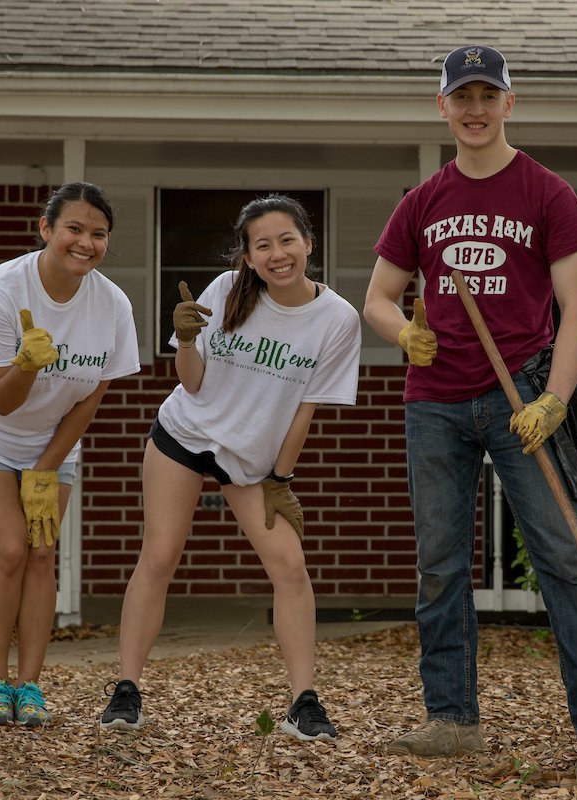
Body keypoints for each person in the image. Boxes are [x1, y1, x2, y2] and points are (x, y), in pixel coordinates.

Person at [363, 44, 577, 763]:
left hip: (521, 398)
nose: (475, 110)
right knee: (441, 565)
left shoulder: (548, 194)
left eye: (488, 96)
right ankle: (453, 721)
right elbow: (378, 299)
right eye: (462, 97)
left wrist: (556, 399)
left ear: (510, 103)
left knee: (567, 560)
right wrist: (406, 332)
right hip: (436, 404)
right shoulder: (422, 202)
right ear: (441, 106)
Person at [100, 194, 361, 742]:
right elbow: (190, 381)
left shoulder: (337, 319)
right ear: (246, 256)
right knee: (161, 554)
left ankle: (303, 702)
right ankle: (126, 691)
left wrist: (280, 479)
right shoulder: (226, 290)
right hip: (185, 433)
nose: (277, 253)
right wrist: (187, 340)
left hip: (253, 459)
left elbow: (305, 410)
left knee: (289, 566)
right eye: (262, 245)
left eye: (287, 240)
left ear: (308, 244)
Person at [0, 182, 141, 726]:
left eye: (98, 234)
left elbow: (93, 394)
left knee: (42, 553)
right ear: (46, 228)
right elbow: (0, 403)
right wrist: (26, 364)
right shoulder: (0, 292)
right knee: (8, 548)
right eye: (74, 228)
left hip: (50, 440)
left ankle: (31, 688)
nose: (86, 242)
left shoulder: (112, 303)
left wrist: (47, 467)